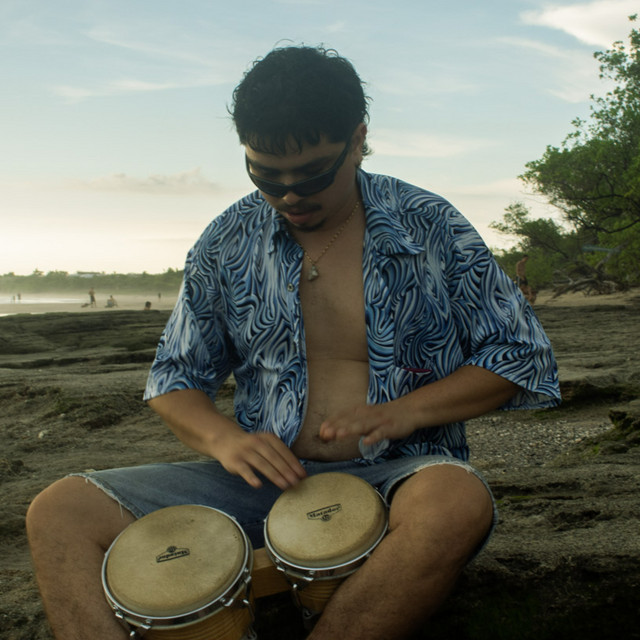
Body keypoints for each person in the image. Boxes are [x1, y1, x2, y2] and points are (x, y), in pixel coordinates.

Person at [26, 45, 560, 640]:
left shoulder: (430, 225)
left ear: (358, 140)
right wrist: (225, 440)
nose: (289, 195)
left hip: (397, 477)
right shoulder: (226, 241)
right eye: (265, 175)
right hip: (259, 486)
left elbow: (520, 356)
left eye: (312, 174)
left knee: (456, 501)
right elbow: (174, 379)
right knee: (59, 511)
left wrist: (403, 412)